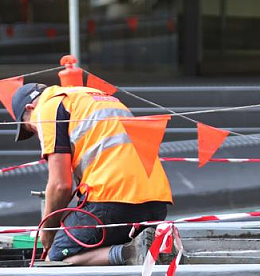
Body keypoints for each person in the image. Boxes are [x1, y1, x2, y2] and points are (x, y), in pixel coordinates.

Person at [11, 82, 171, 266]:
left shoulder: (50, 107)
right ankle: (135, 250)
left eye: (30, 127)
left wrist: (47, 234)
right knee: (95, 249)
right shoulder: (97, 97)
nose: (37, 131)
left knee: (55, 259)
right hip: (156, 201)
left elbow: (60, 185)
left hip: (111, 199)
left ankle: (129, 252)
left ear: (30, 107)